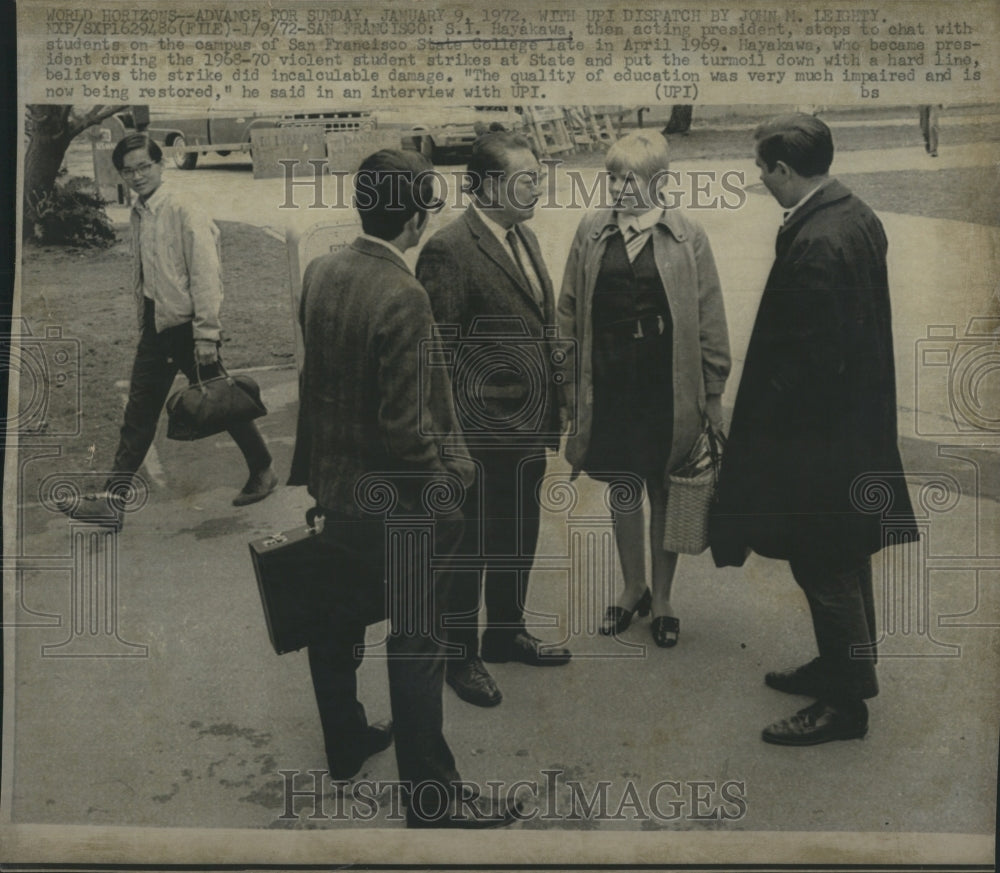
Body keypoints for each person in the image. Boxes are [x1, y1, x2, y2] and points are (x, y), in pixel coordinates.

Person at [288, 149, 520, 828]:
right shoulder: (404, 293)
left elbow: (316, 385)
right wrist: (449, 480)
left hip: (338, 491)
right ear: (416, 217)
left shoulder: (321, 270)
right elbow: (405, 428)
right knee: (417, 641)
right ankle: (432, 795)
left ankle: (346, 741)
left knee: (333, 621)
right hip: (399, 504)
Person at [711, 114, 919, 746]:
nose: (759, 178)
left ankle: (844, 705)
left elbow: (801, 364)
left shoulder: (817, 241)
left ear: (783, 169)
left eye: (761, 168)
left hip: (818, 442)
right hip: (852, 430)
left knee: (825, 564)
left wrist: (762, 443)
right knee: (844, 558)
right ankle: (844, 666)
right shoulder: (853, 214)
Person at [416, 131, 571, 710]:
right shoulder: (450, 249)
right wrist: (453, 446)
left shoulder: (523, 236)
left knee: (517, 538)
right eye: (525, 178)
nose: (539, 186)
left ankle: (506, 633)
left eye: (538, 175)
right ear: (483, 186)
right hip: (480, 437)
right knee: (471, 549)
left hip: (527, 430)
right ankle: (461, 657)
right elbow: (440, 357)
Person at [558, 130, 731, 649]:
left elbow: (708, 314)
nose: (616, 187)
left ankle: (663, 598)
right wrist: (568, 384)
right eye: (610, 177)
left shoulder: (687, 234)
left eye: (627, 178)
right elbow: (567, 310)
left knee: (663, 485)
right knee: (623, 485)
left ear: (660, 181)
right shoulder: (591, 230)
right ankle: (632, 586)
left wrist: (714, 394)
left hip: (666, 379)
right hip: (608, 379)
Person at [61, 133, 276, 530]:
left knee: (223, 403)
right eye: (129, 170)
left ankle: (263, 468)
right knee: (139, 413)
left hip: (188, 330)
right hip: (156, 326)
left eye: (144, 166)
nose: (138, 175)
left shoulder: (182, 208)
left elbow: (206, 274)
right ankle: (113, 502)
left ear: (160, 165)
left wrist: (207, 334)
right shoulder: (141, 210)